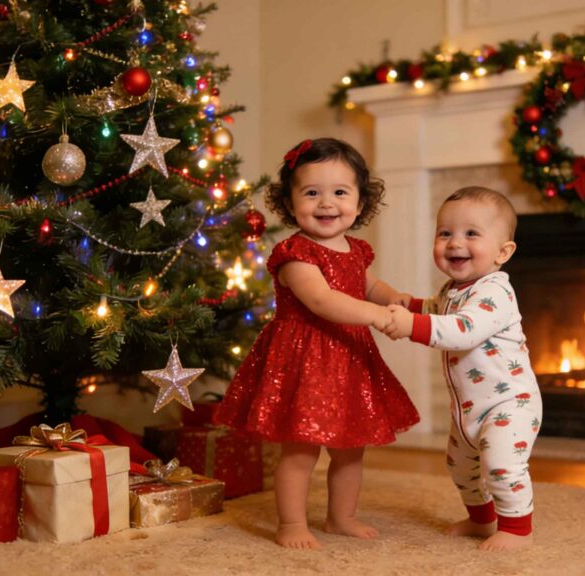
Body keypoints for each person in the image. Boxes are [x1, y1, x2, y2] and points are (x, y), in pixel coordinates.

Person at [214, 138, 420, 549]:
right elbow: (323, 301)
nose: (327, 203)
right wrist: (378, 316)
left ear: (360, 204)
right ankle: (291, 523)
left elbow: (370, 285)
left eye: (340, 192)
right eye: (312, 192)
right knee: (302, 448)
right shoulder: (296, 254)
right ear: (290, 204)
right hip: (306, 358)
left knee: (350, 448)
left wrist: (396, 300)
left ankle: (341, 516)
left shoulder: (356, 250)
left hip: (349, 357)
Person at [383, 186, 542, 551]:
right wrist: (403, 304)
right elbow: (434, 310)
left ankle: (518, 528)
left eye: (471, 233)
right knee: (461, 467)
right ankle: (481, 519)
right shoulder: (452, 290)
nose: (455, 242)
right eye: (445, 233)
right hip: (469, 408)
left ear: (504, 252)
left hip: (509, 404)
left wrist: (410, 326)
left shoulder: (496, 292)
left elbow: (463, 329)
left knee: (502, 465)